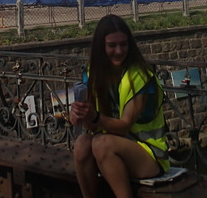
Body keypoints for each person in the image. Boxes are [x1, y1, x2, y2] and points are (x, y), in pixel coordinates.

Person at [70, 14, 169, 198]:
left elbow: (124, 126)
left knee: (101, 143)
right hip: (114, 148)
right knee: (82, 144)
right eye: (112, 45)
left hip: (150, 154)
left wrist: (95, 117)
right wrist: (81, 116)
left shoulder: (139, 75)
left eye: (123, 44)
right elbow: (92, 126)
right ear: (101, 47)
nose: (119, 50)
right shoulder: (93, 73)